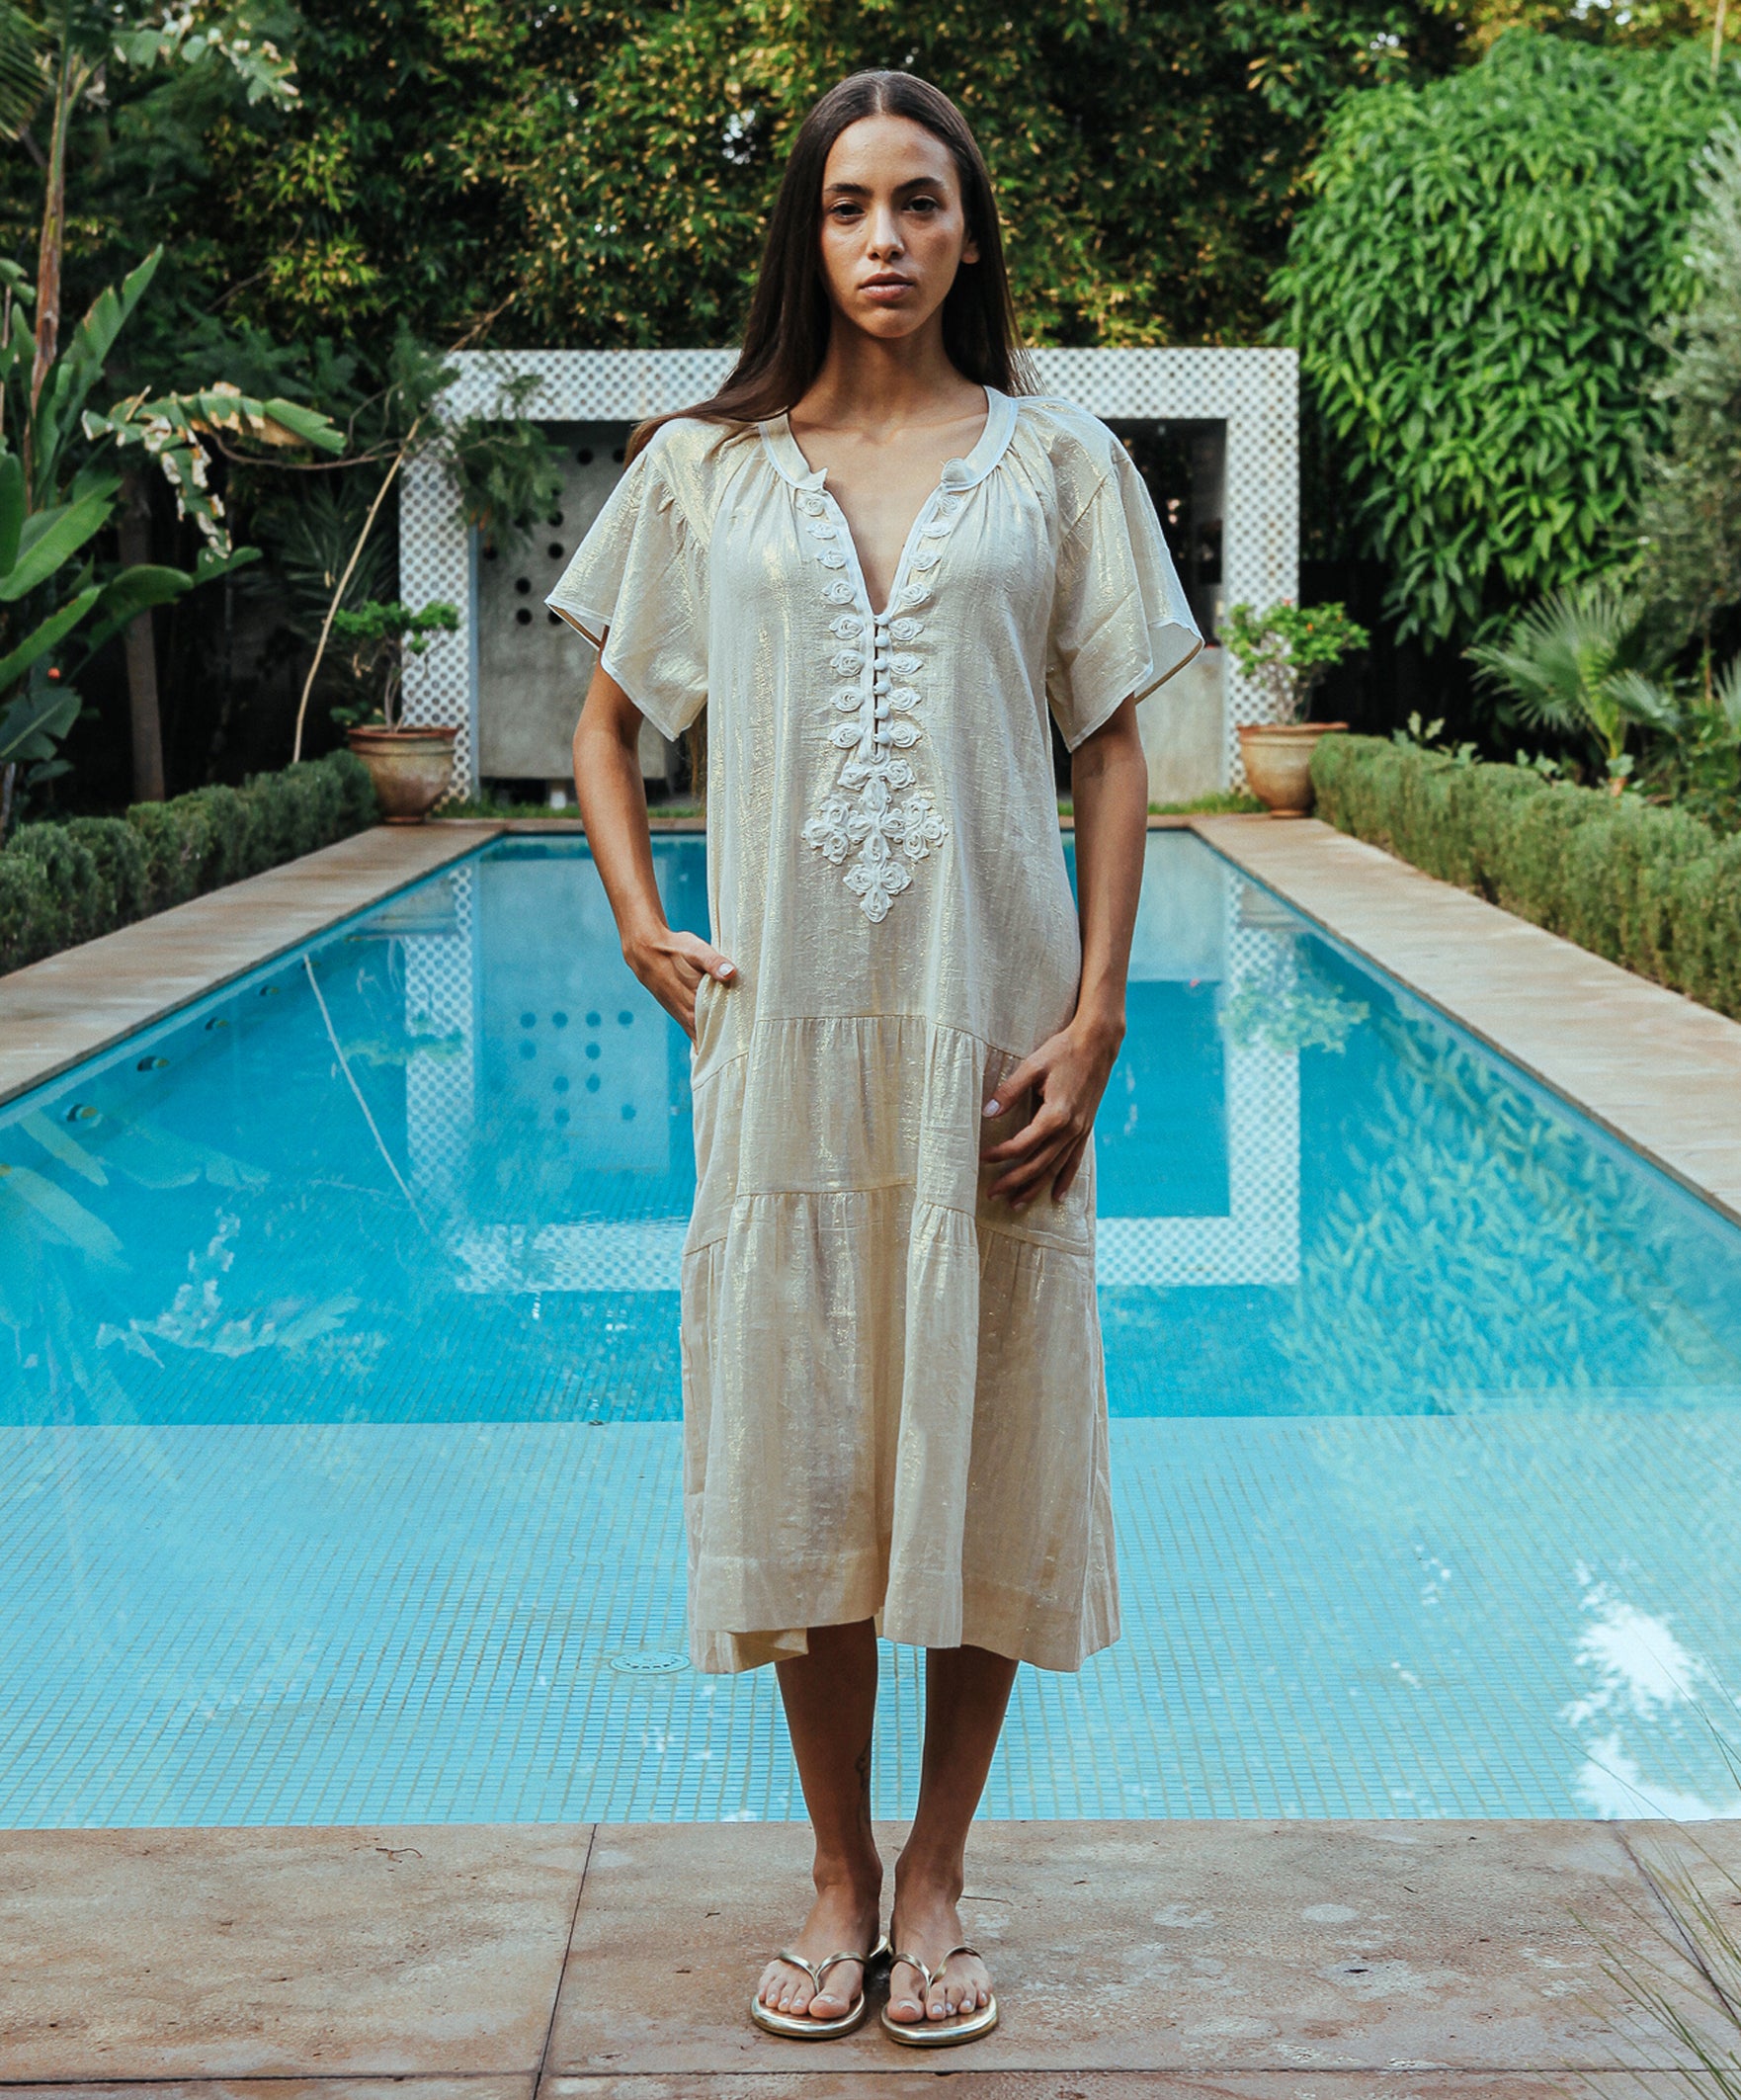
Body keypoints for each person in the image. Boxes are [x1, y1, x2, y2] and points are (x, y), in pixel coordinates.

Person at [552, 68, 1200, 2049]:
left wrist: (1092, 1021)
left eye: (919, 202)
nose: (886, 239)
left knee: (981, 1440)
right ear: (806, 238)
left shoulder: (1055, 466)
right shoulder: (703, 469)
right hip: (783, 1044)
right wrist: (634, 913)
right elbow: (605, 721)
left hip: (994, 1043)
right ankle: (833, 1871)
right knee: (813, 1444)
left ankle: (937, 1872)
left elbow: (1110, 753)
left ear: (968, 230)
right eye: (848, 207)